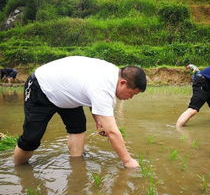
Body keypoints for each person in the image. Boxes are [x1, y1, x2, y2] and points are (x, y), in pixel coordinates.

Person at [13, 56, 147, 168]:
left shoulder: (114, 77)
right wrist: (128, 161)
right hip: (42, 87)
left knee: (78, 127)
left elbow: (95, 103)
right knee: (31, 138)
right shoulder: (103, 87)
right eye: (132, 93)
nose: (130, 98)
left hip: (67, 92)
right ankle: (18, 170)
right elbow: (112, 132)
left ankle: (76, 166)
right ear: (123, 83)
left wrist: (99, 122)